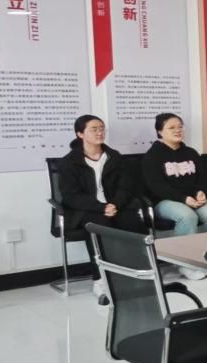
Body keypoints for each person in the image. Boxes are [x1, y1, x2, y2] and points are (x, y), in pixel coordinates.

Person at [59, 115, 148, 301]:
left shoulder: (114, 157)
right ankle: (100, 280)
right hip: (87, 210)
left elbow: (125, 187)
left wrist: (115, 204)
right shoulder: (69, 162)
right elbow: (70, 196)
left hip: (116, 205)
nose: (99, 132)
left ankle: (134, 273)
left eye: (101, 128)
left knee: (131, 221)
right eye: (94, 129)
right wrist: (101, 207)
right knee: (99, 227)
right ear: (80, 134)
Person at [142, 113, 207, 280]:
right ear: (160, 131)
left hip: (194, 198)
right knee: (187, 216)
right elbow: (156, 186)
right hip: (165, 201)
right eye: (171, 128)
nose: (177, 130)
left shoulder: (191, 152)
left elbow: (205, 177)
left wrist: (202, 192)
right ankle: (185, 264)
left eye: (180, 127)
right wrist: (183, 198)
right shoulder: (152, 155)